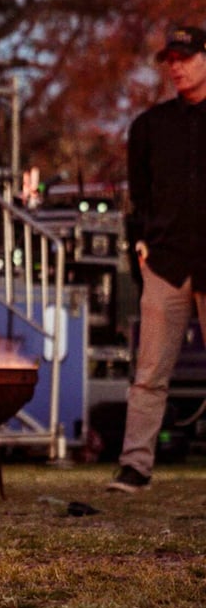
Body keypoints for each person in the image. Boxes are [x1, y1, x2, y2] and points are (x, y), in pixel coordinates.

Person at [108, 25, 206, 493]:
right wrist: (141, 247)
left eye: (185, 57)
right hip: (166, 263)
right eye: (170, 59)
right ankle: (136, 465)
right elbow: (139, 197)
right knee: (148, 374)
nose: (176, 67)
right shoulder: (149, 127)